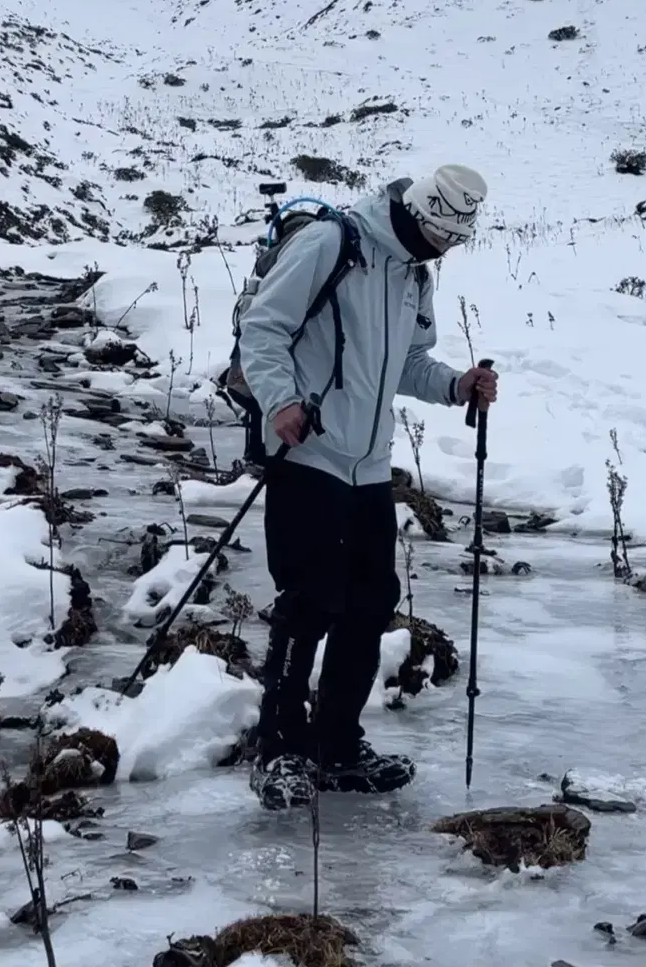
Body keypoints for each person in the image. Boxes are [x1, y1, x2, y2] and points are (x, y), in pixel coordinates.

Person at [237, 165, 498, 811]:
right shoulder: (332, 245)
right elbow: (262, 330)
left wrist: (456, 386)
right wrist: (279, 403)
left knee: (368, 600)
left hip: (369, 464)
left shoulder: (413, 272)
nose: (444, 252)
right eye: (442, 239)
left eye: (452, 243)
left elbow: (406, 362)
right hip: (308, 451)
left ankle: (336, 745)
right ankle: (279, 752)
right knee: (309, 601)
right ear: (419, 219)